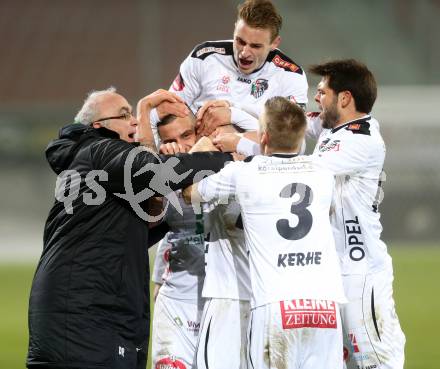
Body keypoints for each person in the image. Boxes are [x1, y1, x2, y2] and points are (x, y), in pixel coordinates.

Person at [26, 88, 234, 369]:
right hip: (84, 318)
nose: (134, 121)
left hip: (80, 313)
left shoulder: (95, 164)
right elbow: (153, 172)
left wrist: (147, 113)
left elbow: (145, 213)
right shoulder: (99, 150)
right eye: (124, 115)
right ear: (99, 126)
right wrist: (225, 160)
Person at [185, 97, 346, 369]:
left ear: (264, 137)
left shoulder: (244, 173)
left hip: (276, 307)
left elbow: (191, 194)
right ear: (300, 137)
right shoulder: (324, 172)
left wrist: (199, 151)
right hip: (326, 307)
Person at [308, 59, 406, 369]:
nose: (316, 97)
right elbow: (287, 123)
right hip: (335, 274)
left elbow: (307, 172)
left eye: (322, 91)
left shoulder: (362, 139)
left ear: (345, 98)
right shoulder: (336, 129)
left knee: (376, 362)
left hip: (361, 272)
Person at [151, 114, 252, 369]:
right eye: (170, 140)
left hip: (227, 302)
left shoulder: (233, 167)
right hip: (178, 303)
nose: (181, 145)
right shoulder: (166, 174)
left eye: (186, 136)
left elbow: (278, 139)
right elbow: (162, 225)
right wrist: (158, 277)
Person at [150, 0, 308, 140]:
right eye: (240, 41)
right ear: (234, 30)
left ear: (274, 43)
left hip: (254, 163)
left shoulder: (291, 75)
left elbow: (291, 137)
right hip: (197, 148)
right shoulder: (204, 57)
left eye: (255, 46)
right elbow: (170, 111)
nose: (245, 52)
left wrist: (232, 113)